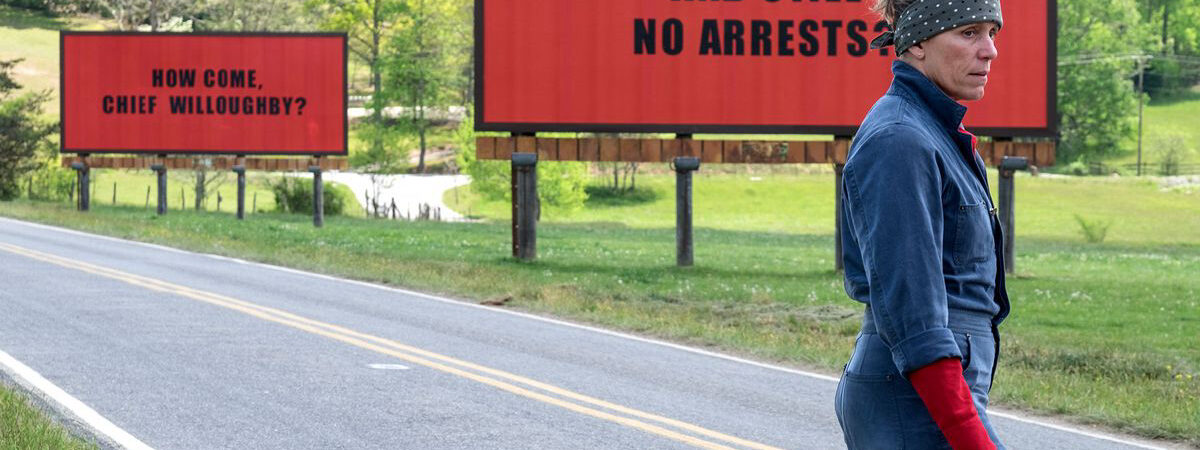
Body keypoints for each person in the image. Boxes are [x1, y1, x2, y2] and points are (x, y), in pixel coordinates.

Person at [833, 0, 1010, 449]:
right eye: (969, 33)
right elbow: (913, 311)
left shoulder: (932, 132)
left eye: (992, 32)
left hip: (929, 391)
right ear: (916, 44)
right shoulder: (900, 139)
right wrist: (970, 435)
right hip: (913, 396)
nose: (988, 51)